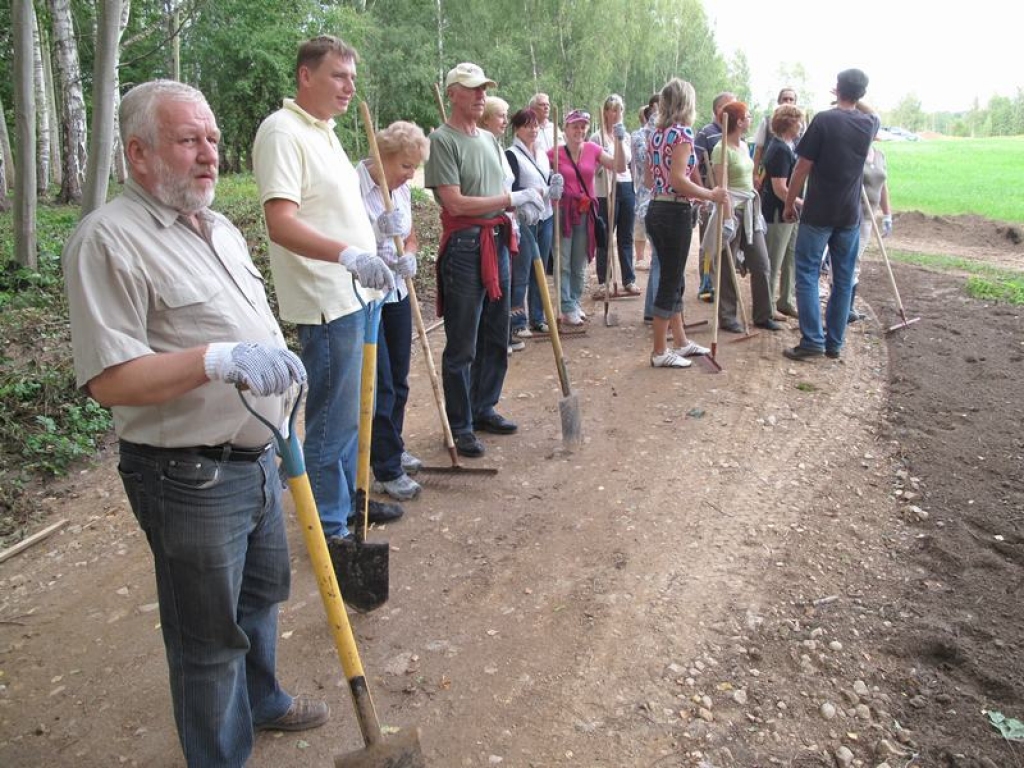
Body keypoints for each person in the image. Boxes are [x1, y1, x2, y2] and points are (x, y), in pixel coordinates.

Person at [62, 80, 326, 768]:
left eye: (211, 138)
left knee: (262, 597)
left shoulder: (219, 227)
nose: (209, 153)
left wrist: (274, 378)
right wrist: (214, 359)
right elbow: (109, 379)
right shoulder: (107, 241)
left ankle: (263, 699)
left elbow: (246, 329)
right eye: (189, 140)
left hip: (259, 458)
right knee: (207, 641)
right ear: (139, 154)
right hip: (187, 474)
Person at [253, 36, 405, 545]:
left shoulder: (326, 133)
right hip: (326, 301)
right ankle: (331, 532)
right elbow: (281, 221)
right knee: (330, 425)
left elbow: (337, 212)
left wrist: (381, 244)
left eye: (352, 78)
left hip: (361, 295)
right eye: (339, 76)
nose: (349, 86)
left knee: (355, 416)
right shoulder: (282, 132)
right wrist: (347, 256)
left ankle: (349, 501)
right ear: (305, 76)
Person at [424, 62, 542, 458]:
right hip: (465, 247)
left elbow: (502, 190)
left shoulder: (490, 140)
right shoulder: (443, 140)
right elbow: (455, 201)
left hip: (497, 239)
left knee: (496, 332)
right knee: (463, 341)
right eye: (472, 89)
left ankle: (483, 406)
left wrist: (520, 206)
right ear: (453, 92)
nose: (480, 96)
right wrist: (510, 201)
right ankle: (460, 424)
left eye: (483, 89)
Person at [783, 68, 880, 361]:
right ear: (862, 93)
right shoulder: (869, 124)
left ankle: (812, 339)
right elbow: (871, 111)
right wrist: (852, 96)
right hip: (849, 215)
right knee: (843, 278)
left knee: (807, 274)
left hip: (817, 212)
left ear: (836, 89)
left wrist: (789, 203)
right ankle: (834, 343)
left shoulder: (824, 120)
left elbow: (802, 167)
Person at [357, 121, 431, 501]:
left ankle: (393, 445)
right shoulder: (353, 186)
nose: (410, 175)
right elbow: (345, 243)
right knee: (381, 383)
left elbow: (411, 236)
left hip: (398, 293)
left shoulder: (400, 191)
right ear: (383, 156)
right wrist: (375, 235)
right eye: (405, 166)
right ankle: (385, 467)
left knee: (400, 379)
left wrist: (412, 257)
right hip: (367, 297)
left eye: (414, 167)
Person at [645, 78, 728, 368]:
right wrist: (709, 193)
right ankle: (659, 351)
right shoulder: (682, 135)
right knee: (670, 280)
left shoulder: (657, 134)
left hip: (657, 208)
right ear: (687, 103)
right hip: (674, 213)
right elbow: (678, 180)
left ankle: (679, 341)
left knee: (674, 276)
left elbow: (649, 178)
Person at [549, 108, 626, 325]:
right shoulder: (554, 153)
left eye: (583, 126)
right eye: (575, 126)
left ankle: (573, 301)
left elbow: (619, 167)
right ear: (565, 128)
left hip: (585, 212)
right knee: (563, 259)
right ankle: (565, 305)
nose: (579, 130)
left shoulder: (593, 149)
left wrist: (619, 140)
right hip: (563, 213)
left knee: (579, 260)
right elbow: (538, 176)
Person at [710, 100, 780, 333]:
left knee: (761, 262)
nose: (751, 119)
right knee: (727, 267)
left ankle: (763, 314)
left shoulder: (743, 146)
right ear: (739, 121)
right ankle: (728, 317)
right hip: (732, 210)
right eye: (748, 116)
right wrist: (728, 220)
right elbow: (722, 187)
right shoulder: (721, 149)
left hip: (750, 210)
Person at [506, 107, 560, 338]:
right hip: (524, 219)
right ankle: (518, 321)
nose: (533, 130)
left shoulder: (542, 153)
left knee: (540, 271)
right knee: (523, 270)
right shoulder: (511, 154)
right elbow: (512, 188)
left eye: (536, 125)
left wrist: (554, 185)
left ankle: (538, 317)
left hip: (545, 215)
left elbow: (546, 180)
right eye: (527, 125)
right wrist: (536, 191)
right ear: (517, 129)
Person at [479, 96, 525, 354]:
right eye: (501, 115)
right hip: (488, 225)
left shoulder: (496, 146)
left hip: (506, 221)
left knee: (504, 285)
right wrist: (511, 200)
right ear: (486, 118)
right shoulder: (482, 147)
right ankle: (491, 340)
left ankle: (501, 337)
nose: (505, 120)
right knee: (492, 286)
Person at [591, 94, 639, 297]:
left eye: (619, 110)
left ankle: (629, 279)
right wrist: (601, 163)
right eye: (612, 110)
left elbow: (631, 164)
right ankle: (604, 280)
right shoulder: (597, 137)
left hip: (625, 186)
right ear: (605, 113)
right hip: (605, 190)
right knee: (606, 236)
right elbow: (591, 166)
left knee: (625, 235)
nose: (616, 114)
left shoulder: (625, 136)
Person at [759, 103, 805, 319]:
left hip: (790, 212)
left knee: (790, 257)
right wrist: (802, 203)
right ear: (789, 123)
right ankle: (766, 306)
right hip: (778, 212)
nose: (801, 125)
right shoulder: (778, 149)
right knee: (773, 259)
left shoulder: (789, 145)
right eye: (799, 121)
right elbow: (779, 188)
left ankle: (785, 300)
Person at [694, 91, 736, 301]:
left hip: (728, 198)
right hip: (710, 197)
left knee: (723, 244)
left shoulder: (735, 134)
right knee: (708, 245)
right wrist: (703, 195)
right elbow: (694, 165)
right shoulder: (706, 133)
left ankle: (720, 285)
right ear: (718, 109)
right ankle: (706, 285)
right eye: (728, 105)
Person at [850, 132, 892, 322]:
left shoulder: (880, 155)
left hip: (869, 216)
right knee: (850, 261)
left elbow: (883, 187)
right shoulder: (854, 153)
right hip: (852, 215)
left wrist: (887, 214)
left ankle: (848, 307)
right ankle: (846, 307)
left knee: (857, 261)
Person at [752, 87, 800, 189]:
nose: (788, 101)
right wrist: (755, 174)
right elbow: (758, 150)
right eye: (785, 99)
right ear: (779, 101)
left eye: (791, 99)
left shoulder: (799, 124)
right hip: (769, 175)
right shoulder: (767, 121)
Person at [632, 95, 659, 272]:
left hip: (664, 190)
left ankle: (654, 257)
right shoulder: (639, 135)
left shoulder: (670, 133)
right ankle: (641, 258)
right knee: (642, 223)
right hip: (644, 187)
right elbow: (643, 159)